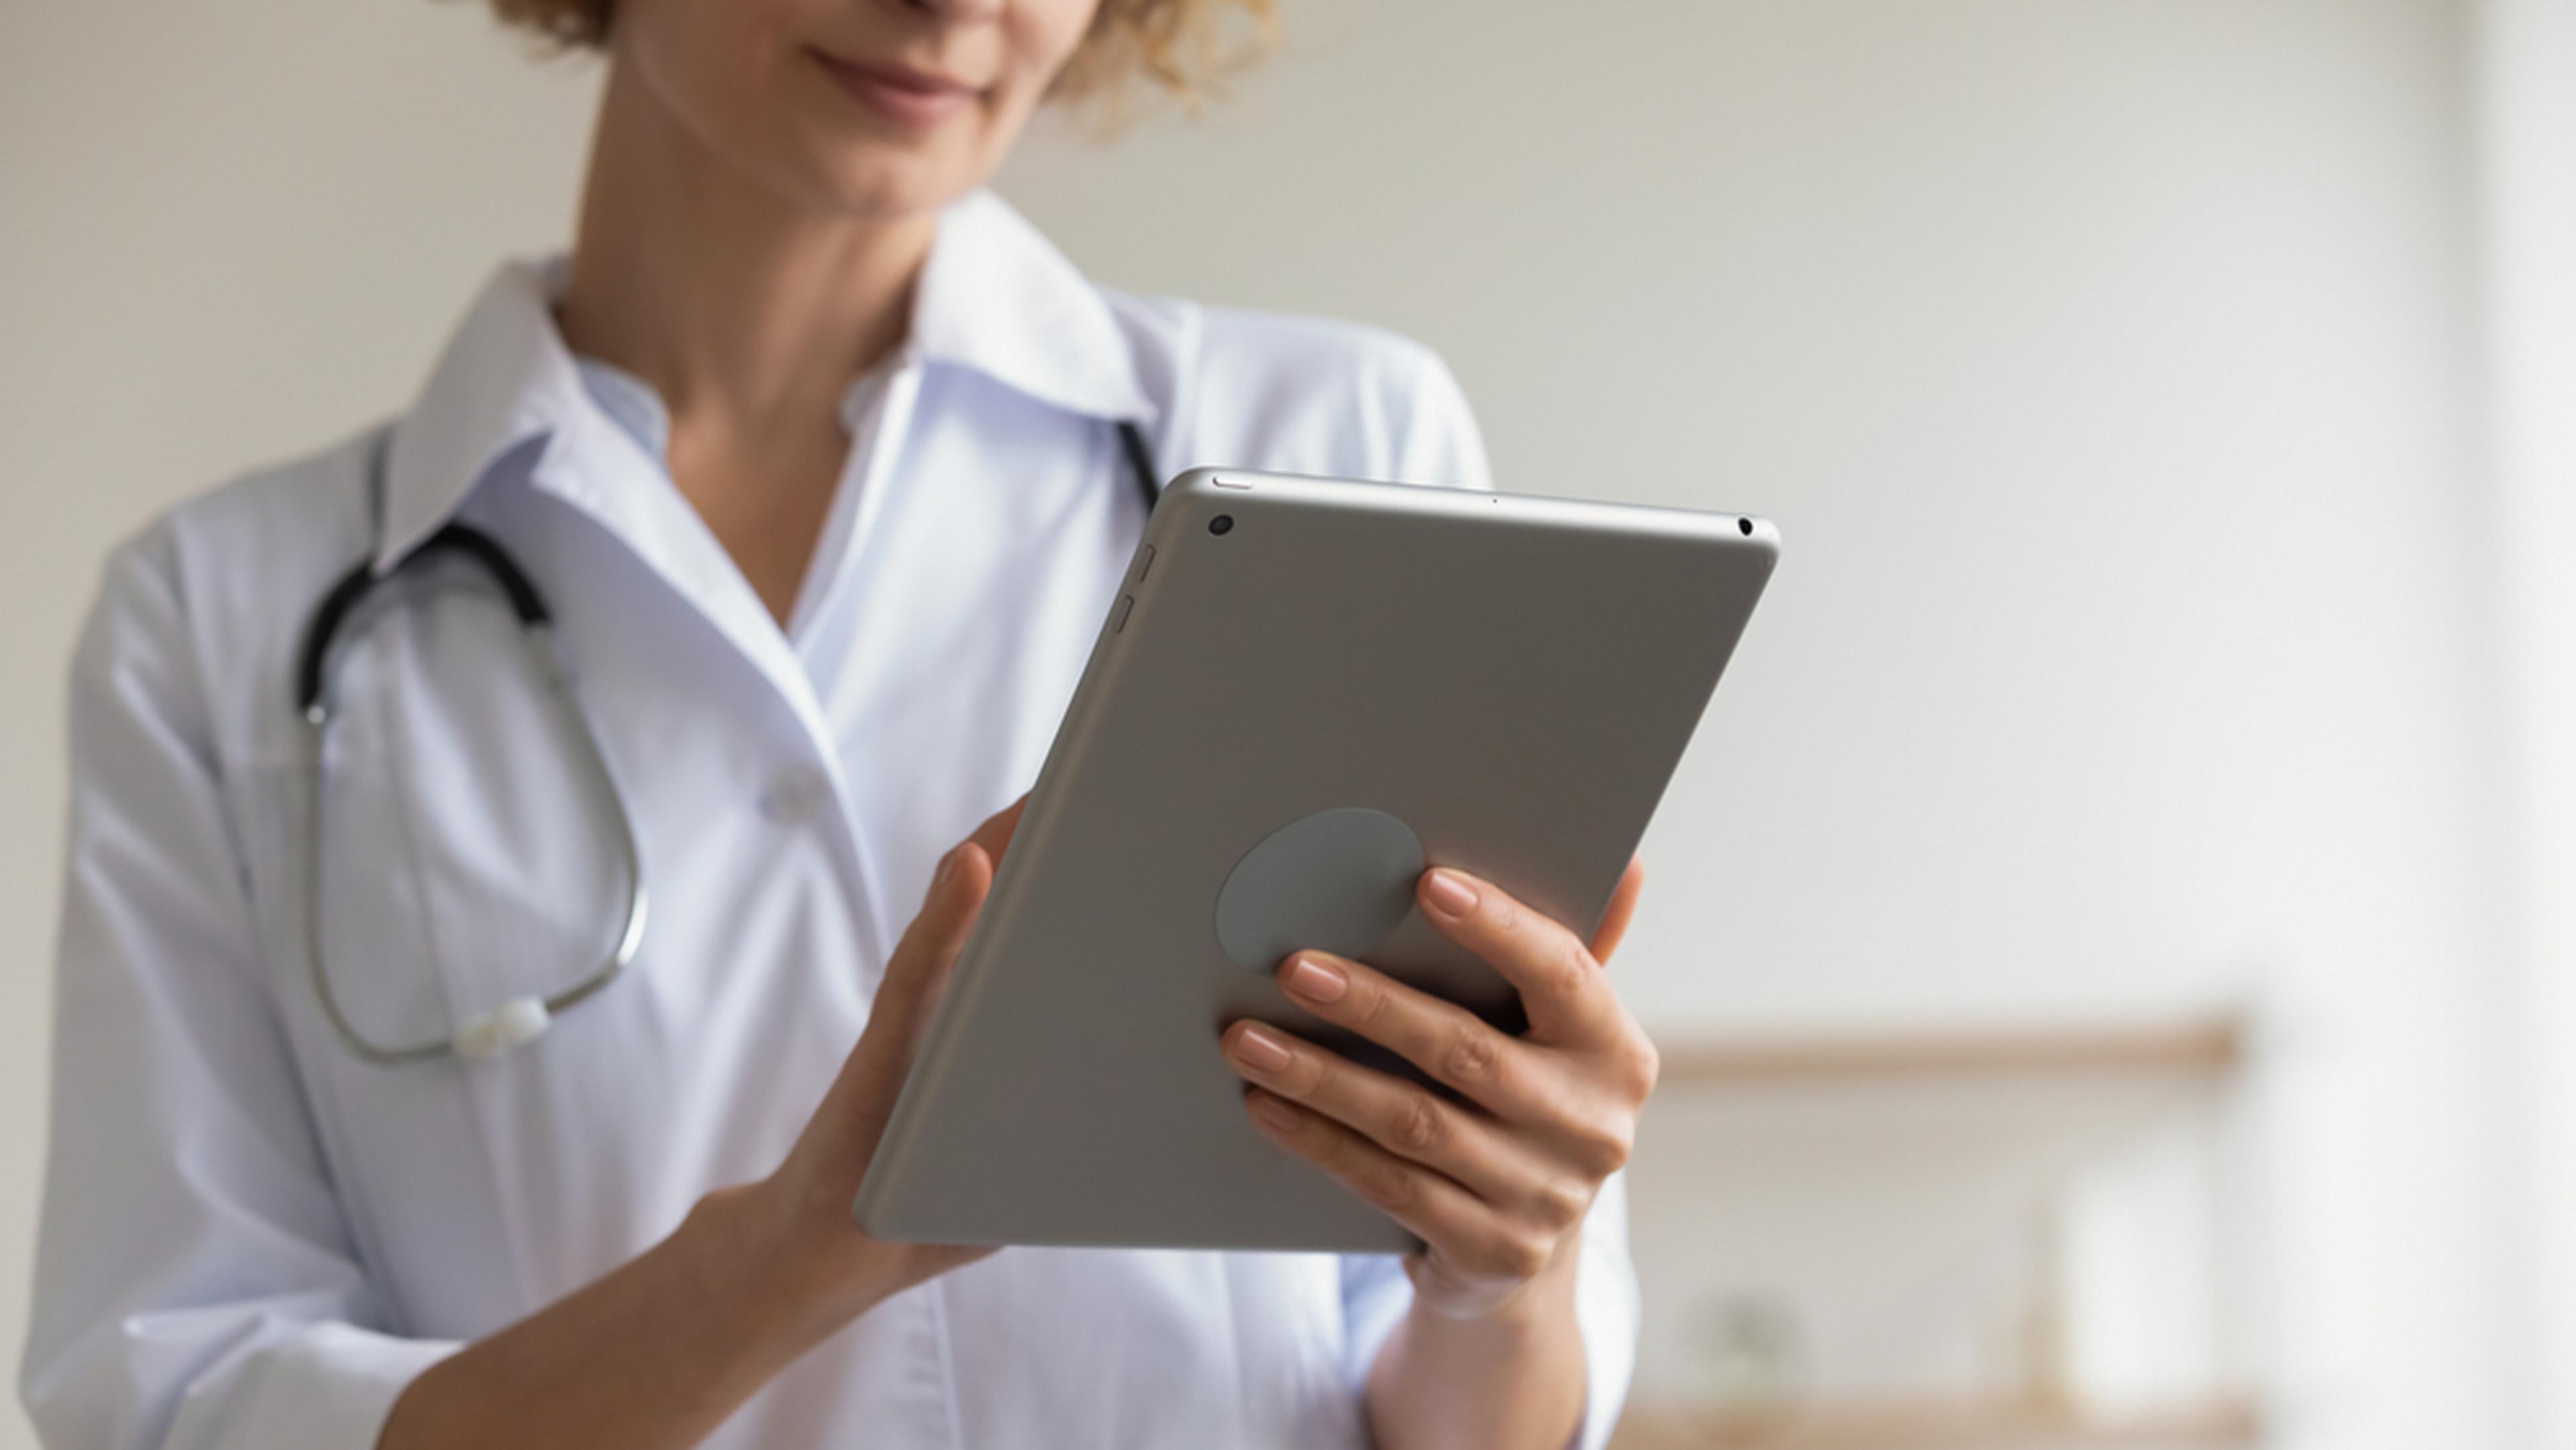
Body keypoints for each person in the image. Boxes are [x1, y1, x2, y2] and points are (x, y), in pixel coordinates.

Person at [19, 1, 1662, 1446]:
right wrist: (798, 1253)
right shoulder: (218, 622)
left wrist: (1501, 1275)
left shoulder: (1338, 448)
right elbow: (183, 1411)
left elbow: (1468, 1414)